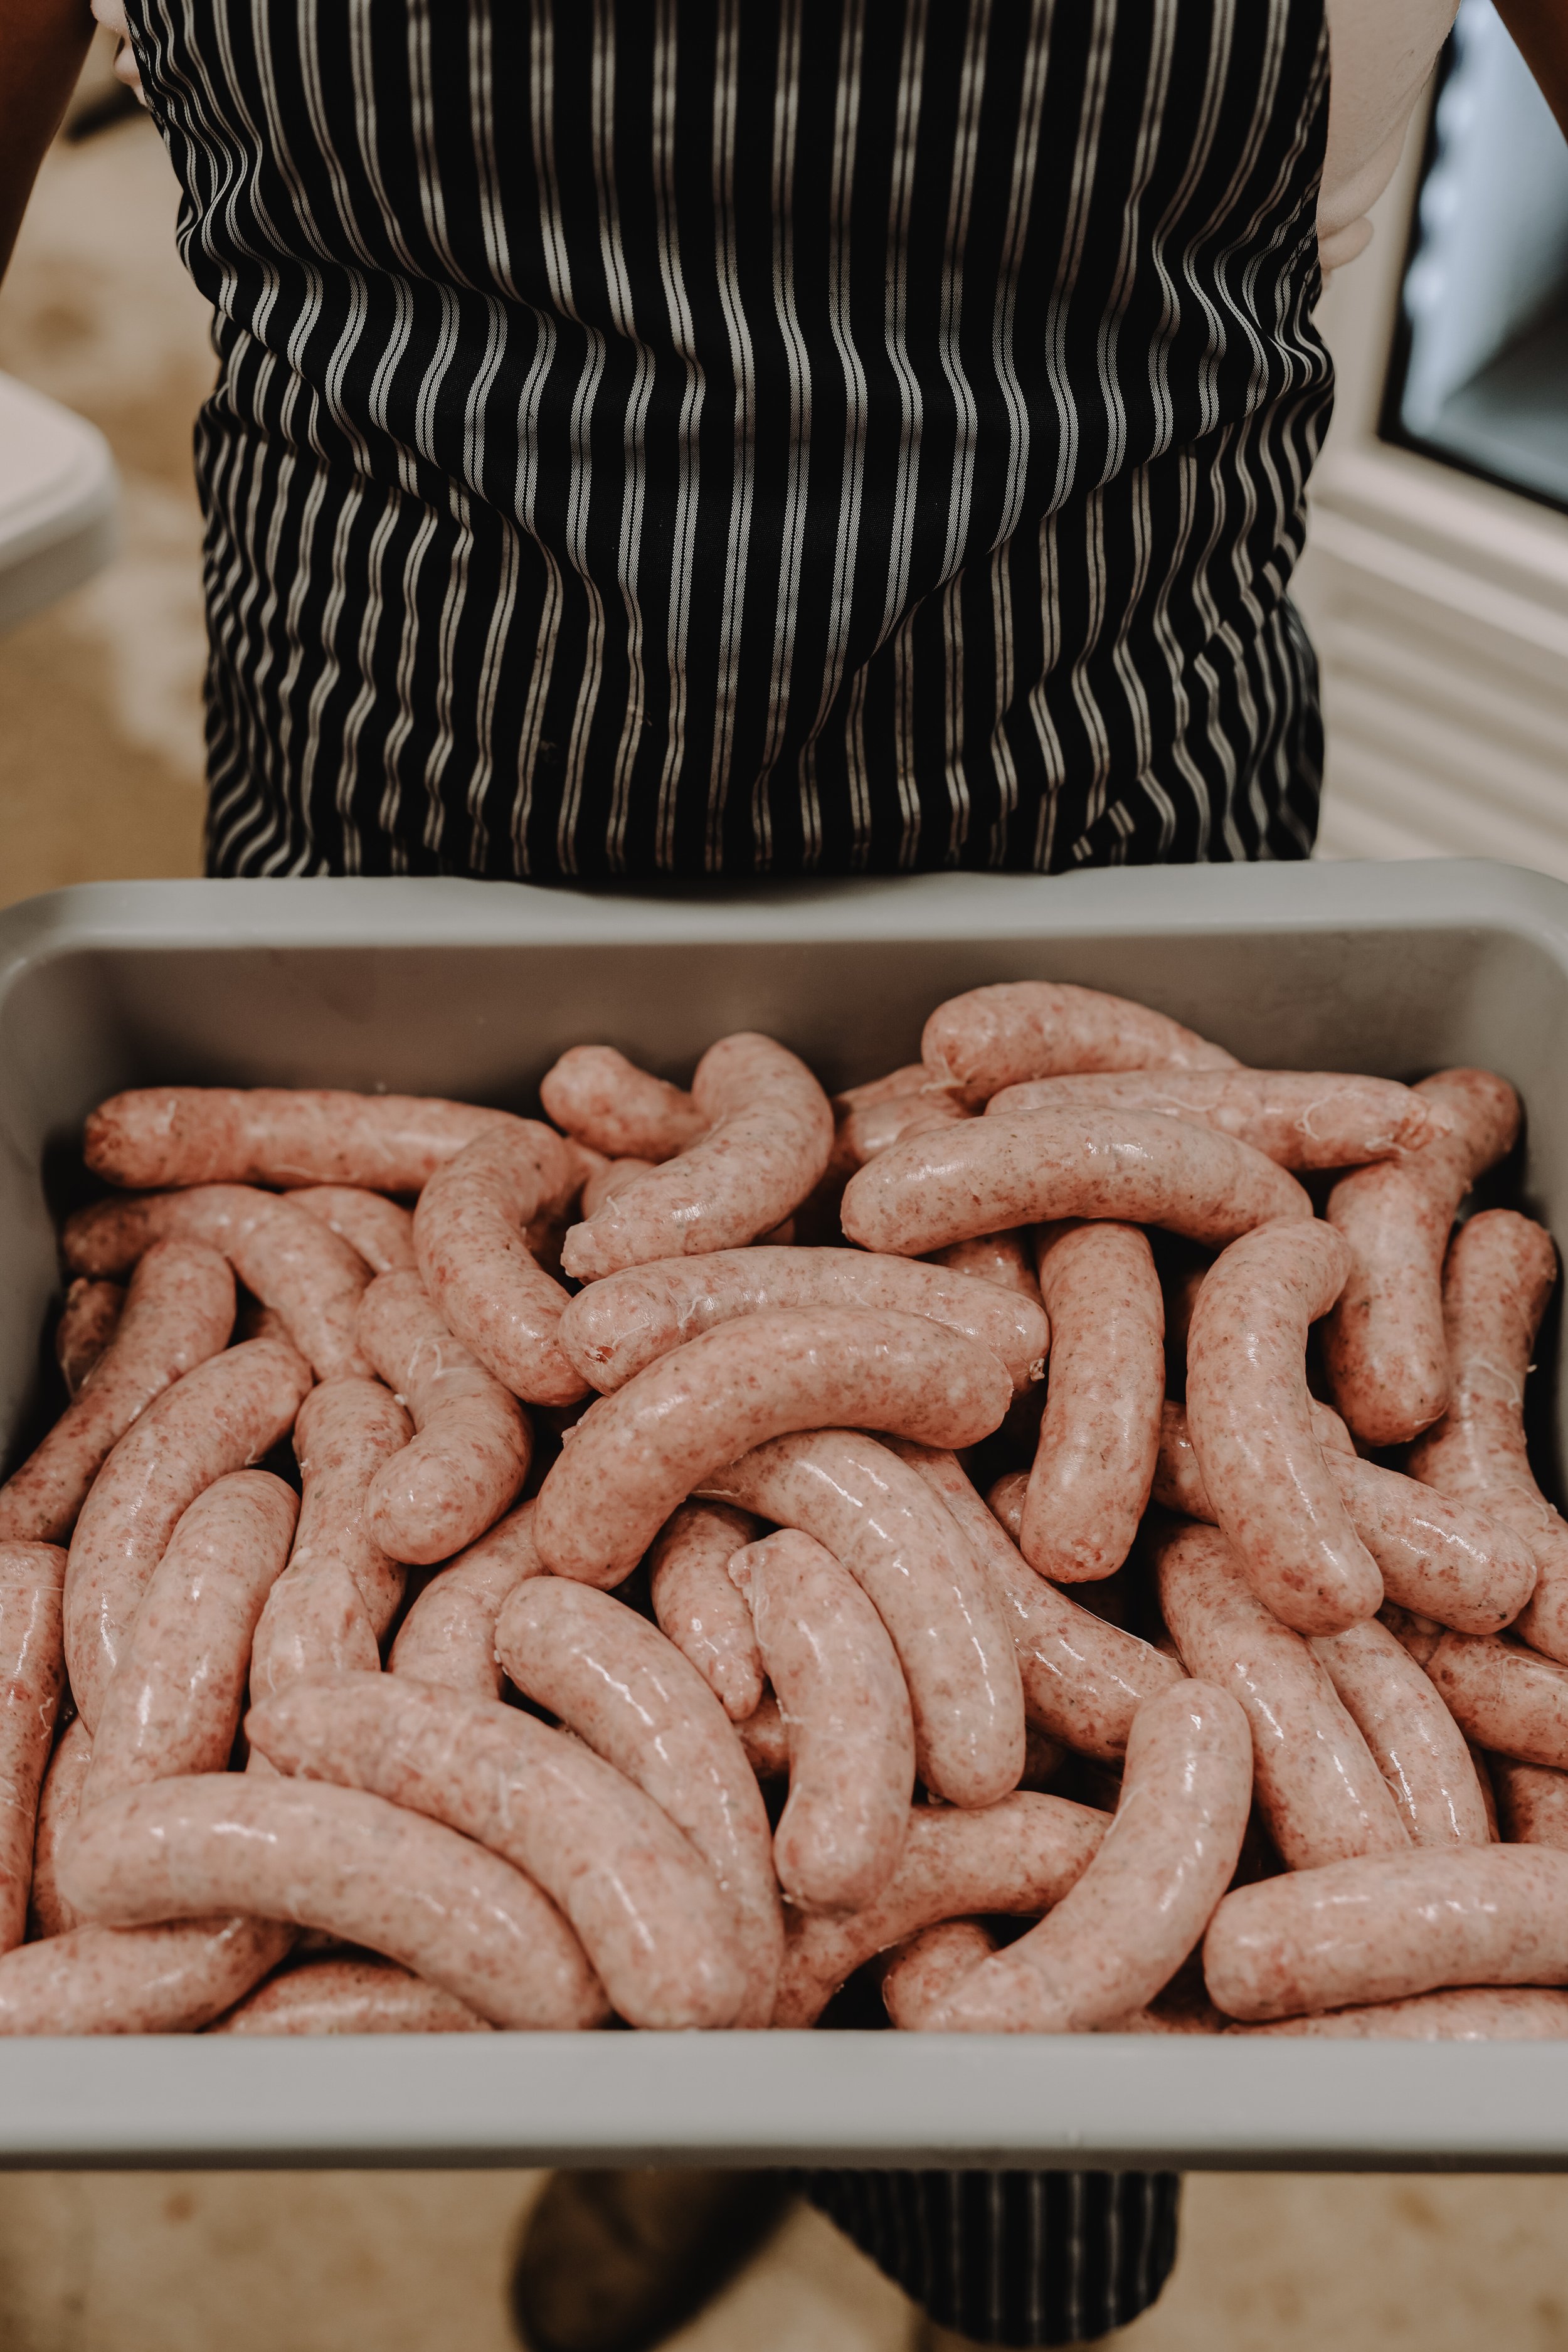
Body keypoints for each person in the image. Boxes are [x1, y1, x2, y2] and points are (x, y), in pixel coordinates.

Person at [3, 3, 1566, 2349]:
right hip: (397, 869)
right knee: (572, 1801)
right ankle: (674, 2086)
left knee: (1046, 1837)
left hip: (1093, 858)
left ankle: (996, 2292)